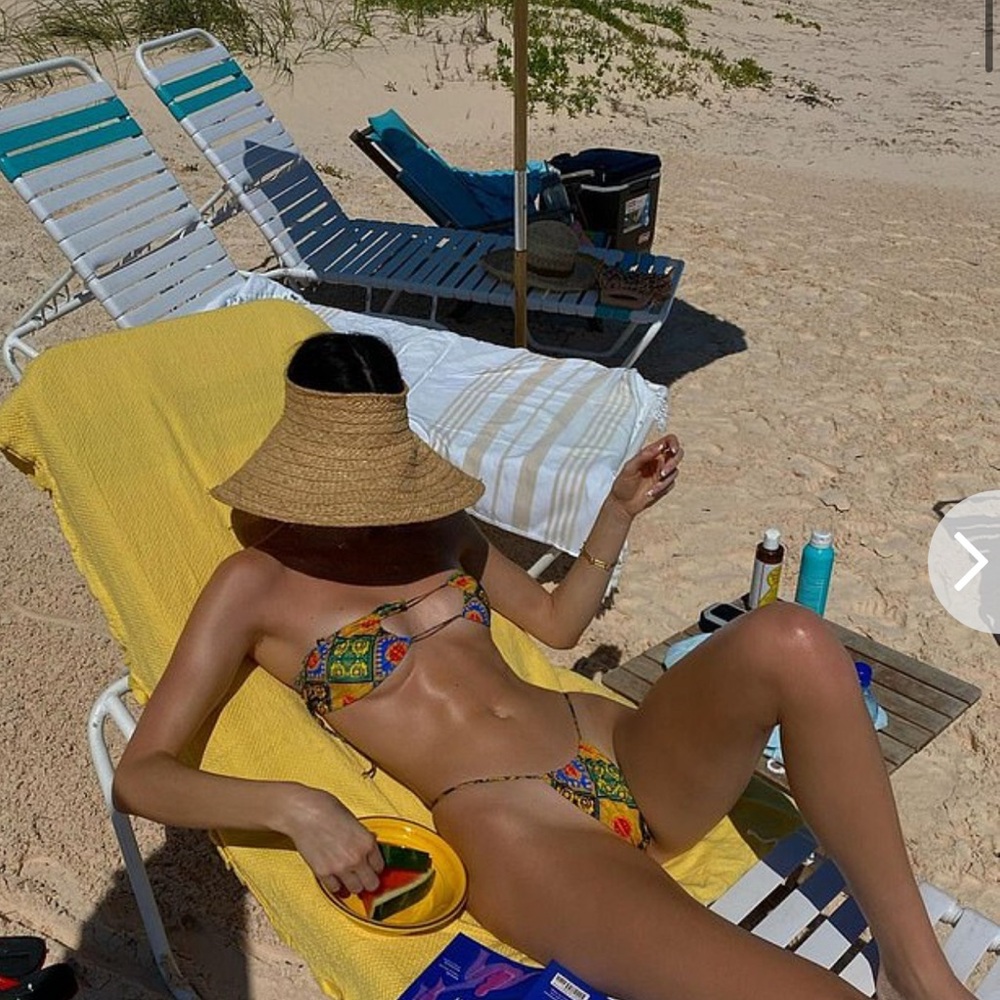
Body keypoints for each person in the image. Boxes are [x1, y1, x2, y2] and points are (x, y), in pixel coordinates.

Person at [113, 332, 971, 1000]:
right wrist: (298, 807)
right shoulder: (254, 585)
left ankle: (918, 972)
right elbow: (144, 775)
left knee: (791, 635)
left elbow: (557, 624)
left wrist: (616, 512)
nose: (375, 513)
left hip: (618, 748)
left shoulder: (433, 526)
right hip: (517, 832)